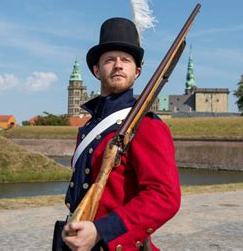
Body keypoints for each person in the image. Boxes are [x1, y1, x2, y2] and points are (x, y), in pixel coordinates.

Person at [62, 17, 181, 251]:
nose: (118, 65)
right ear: (96, 70)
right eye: (109, 60)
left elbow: (165, 196)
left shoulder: (147, 126)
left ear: (136, 72)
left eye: (125, 60)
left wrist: (102, 231)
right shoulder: (88, 128)